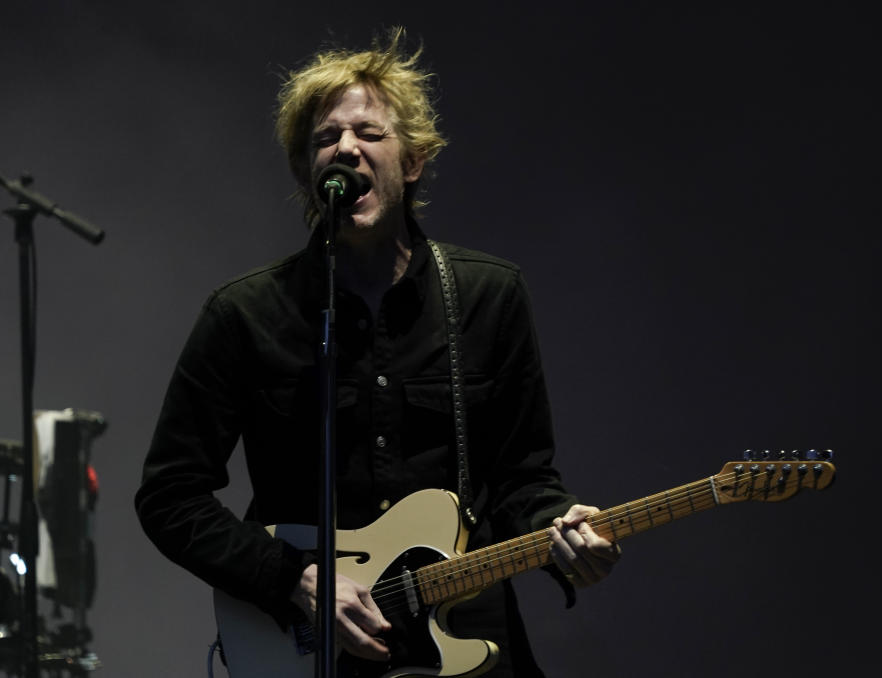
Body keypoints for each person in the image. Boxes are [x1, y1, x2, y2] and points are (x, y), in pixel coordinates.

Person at [135, 28, 620, 677]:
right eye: (325, 139)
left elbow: (522, 478)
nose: (345, 149)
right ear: (306, 172)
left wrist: (562, 530)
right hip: (308, 642)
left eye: (368, 133)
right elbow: (169, 495)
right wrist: (293, 579)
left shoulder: (487, 295)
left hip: (465, 633)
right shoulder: (244, 314)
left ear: (412, 160)